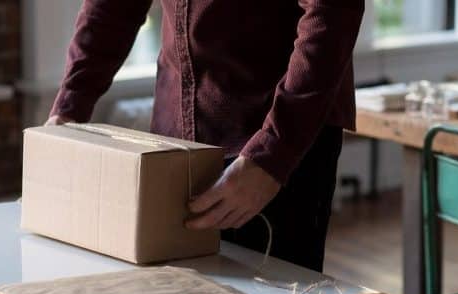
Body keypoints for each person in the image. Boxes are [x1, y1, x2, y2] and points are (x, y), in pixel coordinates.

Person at [46, 0, 364, 272]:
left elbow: (332, 13)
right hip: (174, 142)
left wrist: (272, 154)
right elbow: (113, 7)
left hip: (273, 146)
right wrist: (68, 108)